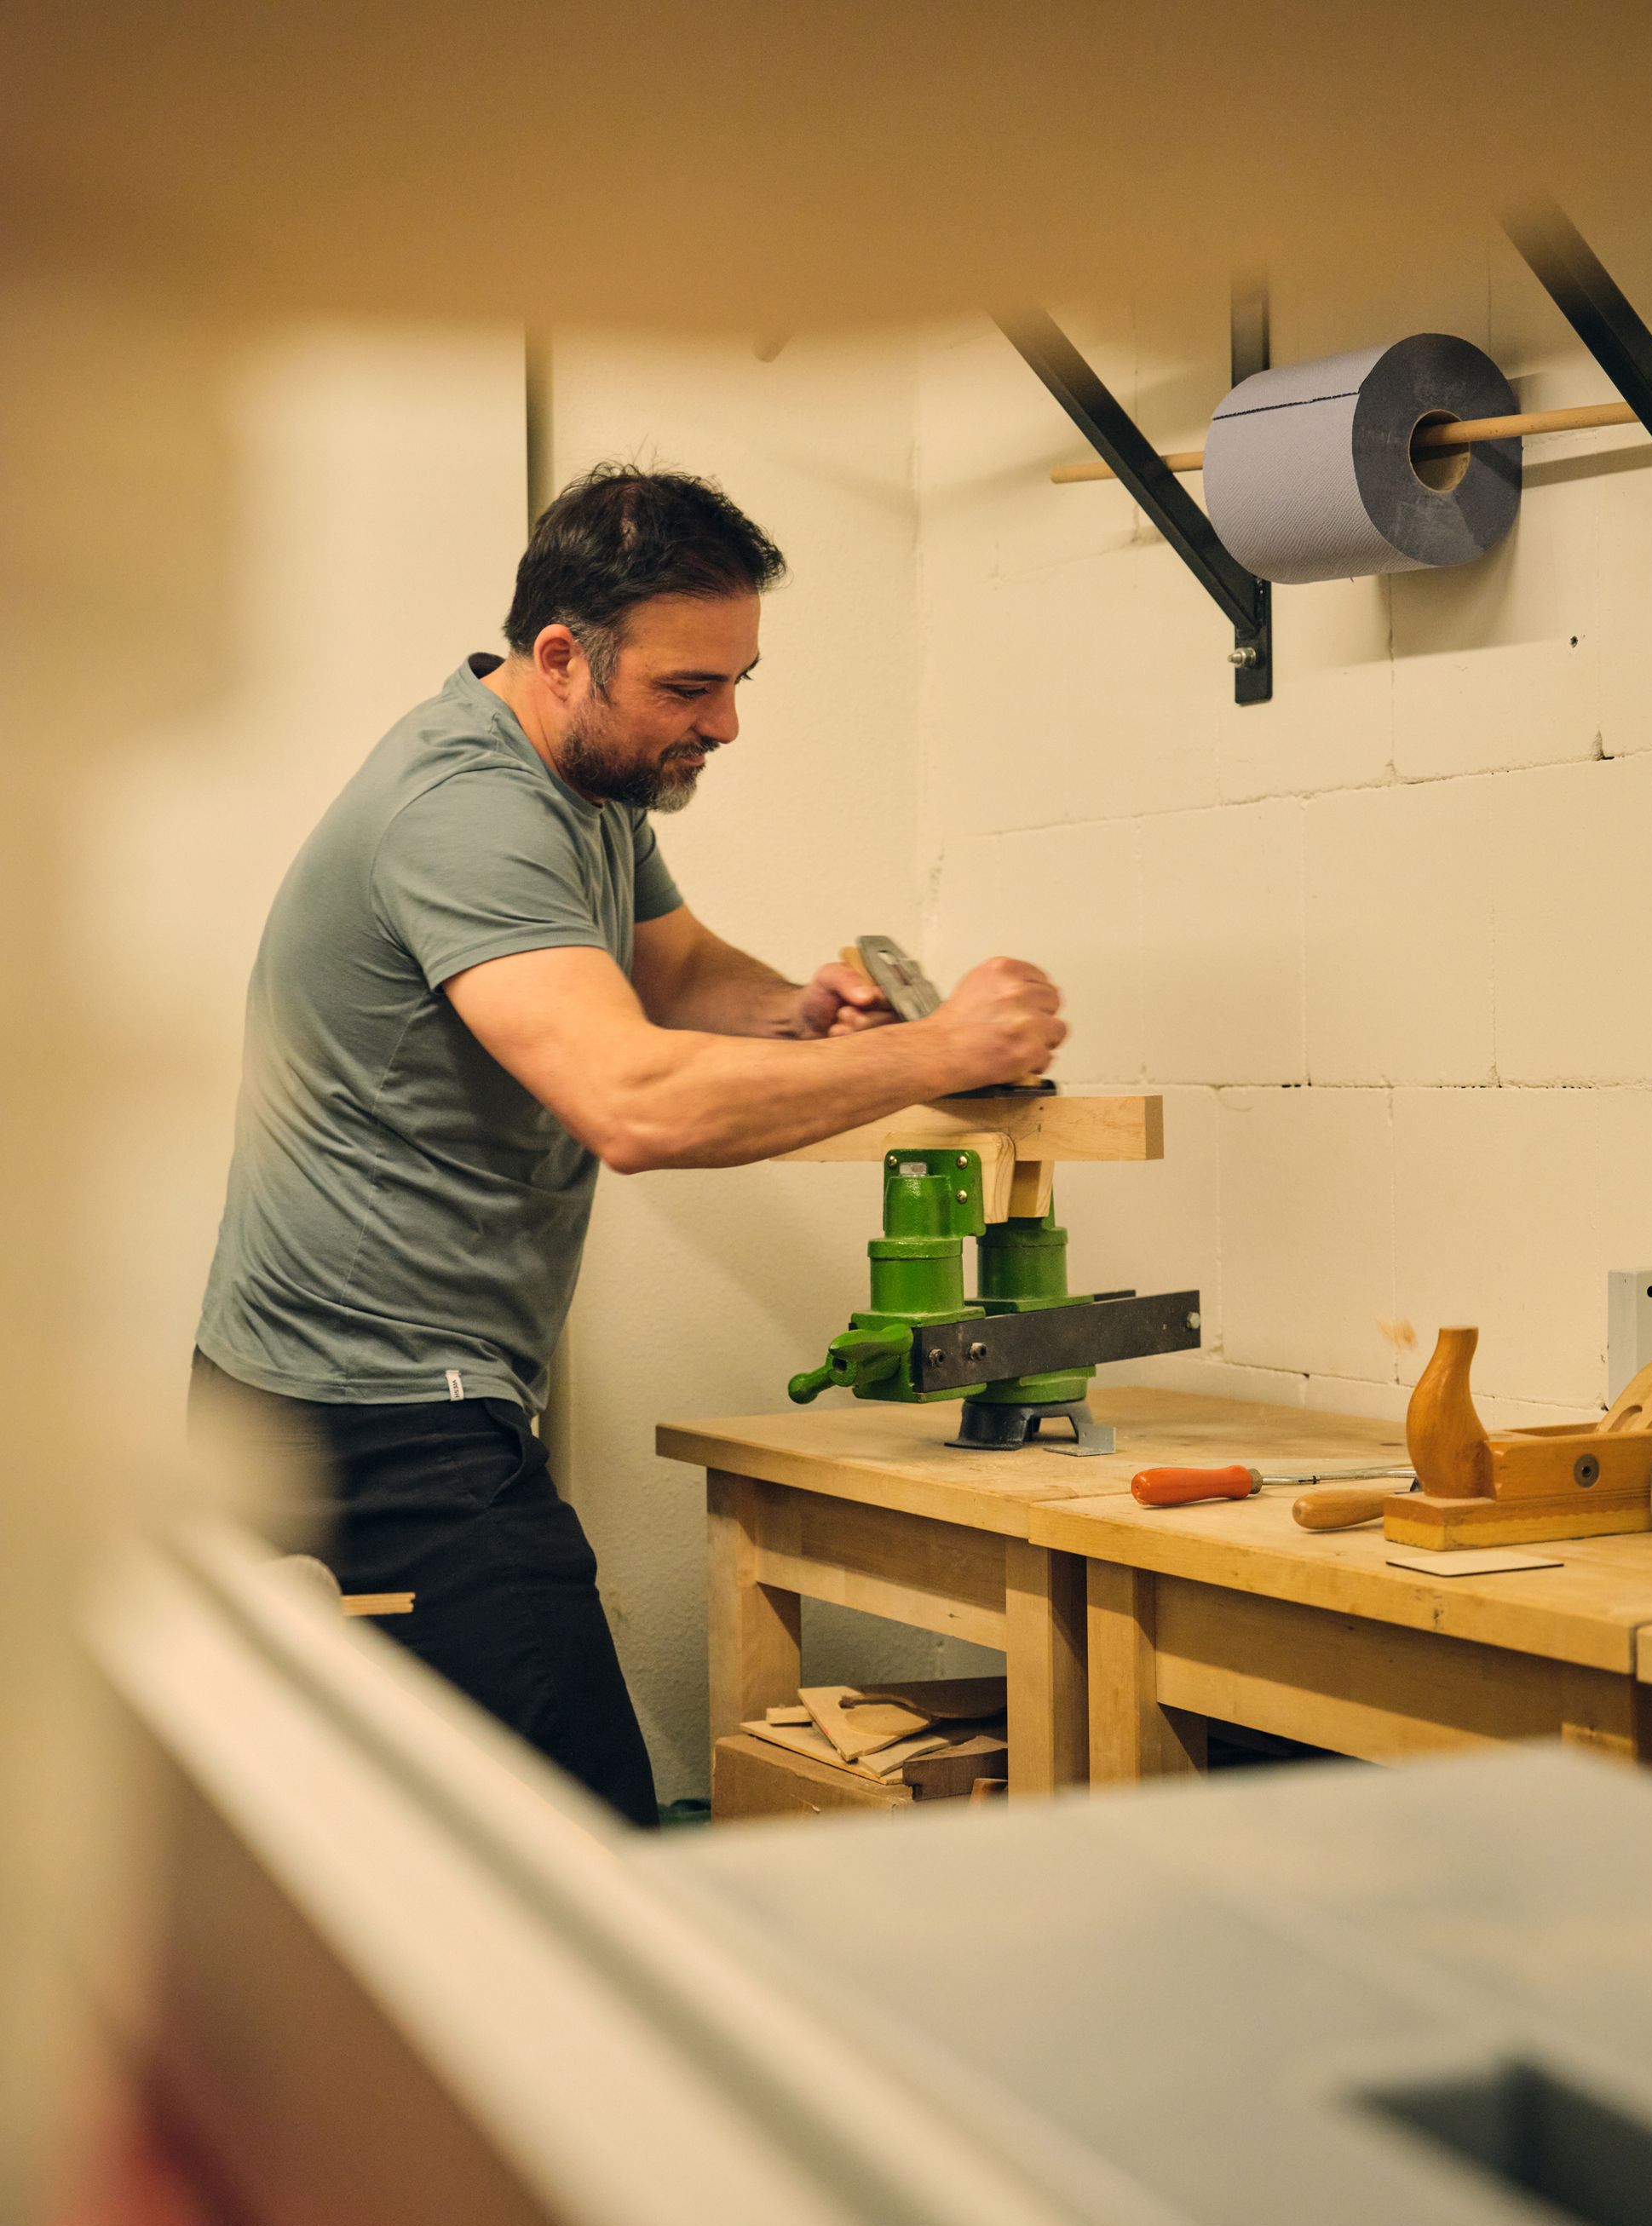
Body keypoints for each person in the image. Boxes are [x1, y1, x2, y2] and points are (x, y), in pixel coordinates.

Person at [190, 463, 1066, 1826]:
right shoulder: (469, 811)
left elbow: (671, 971)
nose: (720, 725)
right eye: (687, 689)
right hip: (362, 1421)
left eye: (737, 684)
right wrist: (944, 1051)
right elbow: (637, 1102)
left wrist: (797, 1012)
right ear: (560, 657)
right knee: (582, 1840)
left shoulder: (589, 778)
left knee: (447, 1846)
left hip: (417, 1393)